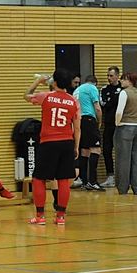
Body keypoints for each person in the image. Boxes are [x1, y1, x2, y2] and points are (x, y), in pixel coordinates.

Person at [24, 69, 81, 226]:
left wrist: (38, 81)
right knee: (63, 180)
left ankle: (40, 216)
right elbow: (77, 128)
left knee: (38, 179)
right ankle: (60, 216)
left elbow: (26, 95)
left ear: (54, 82)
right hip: (67, 142)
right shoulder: (74, 101)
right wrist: (76, 146)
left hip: (48, 142)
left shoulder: (46, 96)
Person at [114, 72, 137, 195]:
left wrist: (118, 123)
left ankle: (123, 188)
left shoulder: (124, 93)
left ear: (129, 80)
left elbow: (119, 112)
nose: (121, 81)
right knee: (136, 159)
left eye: (123, 79)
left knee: (123, 159)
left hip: (124, 127)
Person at [74, 75, 105, 190]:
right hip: (89, 119)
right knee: (96, 149)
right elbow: (97, 107)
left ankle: (84, 181)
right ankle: (93, 180)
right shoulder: (92, 88)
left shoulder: (77, 90)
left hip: (78, 121)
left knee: (84, 151)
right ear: (95, 83)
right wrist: (99, 121)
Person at [100, 66, 123, 188]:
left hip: (120, 124)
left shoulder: (123, 89)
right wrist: (113, 100)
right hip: (108, 124)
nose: (109, 78)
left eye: (111, 75)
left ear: (117, 76)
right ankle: (110, 176)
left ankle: (123, 176)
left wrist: (112, 101)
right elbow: (103, 104)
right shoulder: (104, 89)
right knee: (107, 150)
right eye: (108, 75)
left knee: (121, 151)